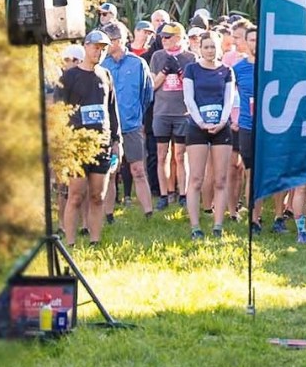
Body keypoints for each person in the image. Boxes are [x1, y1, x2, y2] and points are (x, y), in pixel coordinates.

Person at [59, 30, 122, 247]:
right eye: (96, 47)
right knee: (75, 196)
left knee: (98, 196)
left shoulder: (105, 75)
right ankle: (70, 243)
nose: (99, 52)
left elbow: (112, 110)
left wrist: (117, 141)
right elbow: (59, 111)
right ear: (86, 47)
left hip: (102, 143)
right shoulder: (69, 76)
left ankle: (95, 242)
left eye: (103, 48)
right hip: (77, 144)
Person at [98, 23, 155, 218]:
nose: (104, 46)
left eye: (108, 41)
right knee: (111, 171)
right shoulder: (103, 66)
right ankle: (109, 214)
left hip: (131, 126)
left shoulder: (138, 64)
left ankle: (148, 213)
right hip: (109, 128)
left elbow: (147, 94)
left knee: (138, 169)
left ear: (118, 41)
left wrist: (137, 116)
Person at [182, 32, 235, 239]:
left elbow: (229, 99)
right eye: (206, 47)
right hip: (197, 127)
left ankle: (218, 226)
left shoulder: (227, 71)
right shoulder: (191, 69)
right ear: (199, 48)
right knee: (196, 178)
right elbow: (189, 98)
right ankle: (195, 226)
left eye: (213, 47)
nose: (210, 50)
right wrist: (201, 122)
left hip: (221, 128)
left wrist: (222, 122)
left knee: (221, 179)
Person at [146, 22, 192, 210]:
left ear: (178, 38)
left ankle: (183, 194)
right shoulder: (157, 57)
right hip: (162, 111)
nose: (163, 40)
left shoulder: (190, 57)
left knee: (181, 155)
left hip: (182, 112)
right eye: (162, 37)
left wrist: (180, 71)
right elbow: (152, 86)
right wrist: (165, 71)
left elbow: (191, 87)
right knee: (161, 154)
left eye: (167, 37)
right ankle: (164, 194)